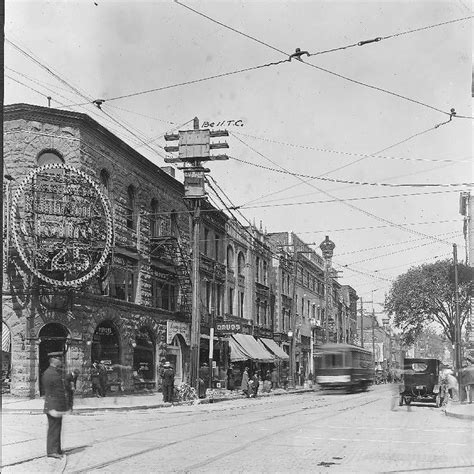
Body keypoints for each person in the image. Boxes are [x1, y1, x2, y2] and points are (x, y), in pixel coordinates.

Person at [42, 355, 68, 459]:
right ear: (54, 361)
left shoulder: (50, 372)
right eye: (59, 360)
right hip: (54, 405)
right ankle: (52, 451)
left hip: (53, 404)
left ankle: (56, 449)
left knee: (56, 427)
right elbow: (56, 392)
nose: (60, 361)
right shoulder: (52, 374)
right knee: (54, 428)